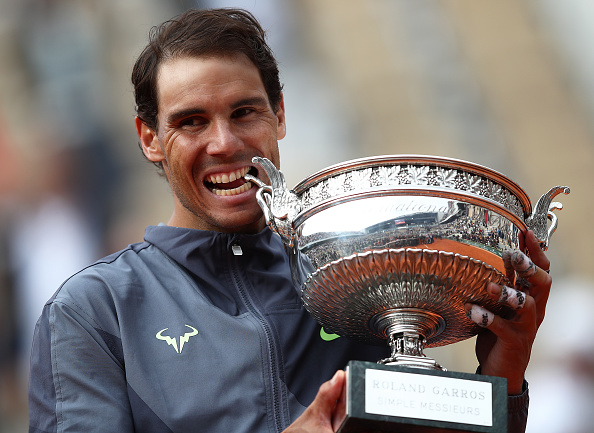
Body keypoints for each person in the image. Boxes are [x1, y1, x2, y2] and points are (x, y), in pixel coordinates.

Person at [28, 8, 552, 433]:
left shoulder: (358, 271)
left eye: (244, 112)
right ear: (149, 139)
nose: (224, 144)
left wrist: (504, 375)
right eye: (191, 122)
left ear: (279, 114)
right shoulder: (95, 311)